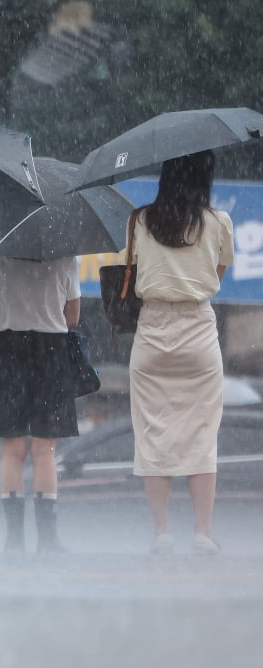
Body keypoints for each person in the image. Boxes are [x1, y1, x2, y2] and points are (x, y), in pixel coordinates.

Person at [128, 150, 231, 556]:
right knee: (202, 436)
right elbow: (216, 275)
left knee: (154, 434)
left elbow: (134, 268)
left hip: (152, 332)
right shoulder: (218, 222)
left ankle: (161, 534)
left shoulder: (140, 219)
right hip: (198, 331)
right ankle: (202, 534)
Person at [0, 255, 80, 552]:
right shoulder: (64, 257)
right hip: (52, 352)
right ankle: (47, 540)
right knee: (44, 451)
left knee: (13, 450)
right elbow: (72, 318)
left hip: (9, 352)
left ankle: (14, 539)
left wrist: (14, 308)